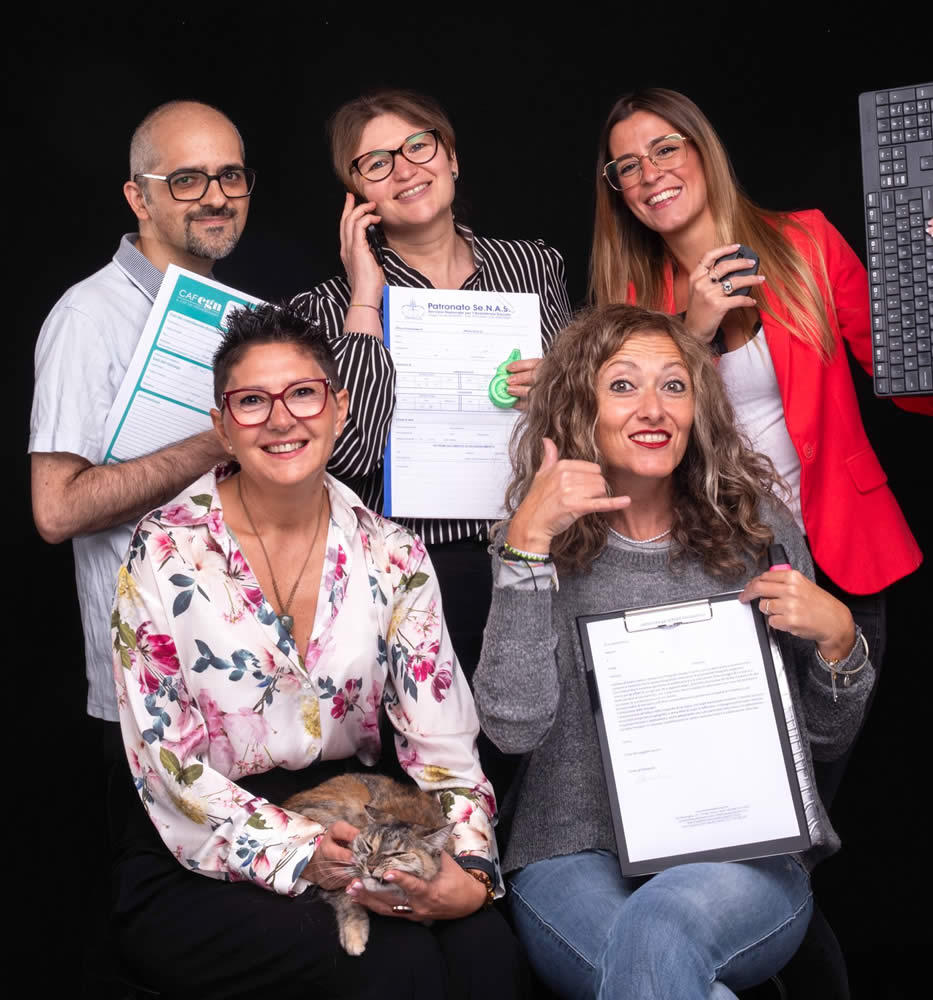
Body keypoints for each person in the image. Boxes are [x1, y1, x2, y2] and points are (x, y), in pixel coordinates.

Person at [110, 303, 524, 999]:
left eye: (303, 393)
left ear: (339, 408)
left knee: (487, 954)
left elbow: (444, 745)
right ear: (221, 425)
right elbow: (167, 767)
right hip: (200, 833)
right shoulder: (163, 550)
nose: (281, 419)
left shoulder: (394, 554)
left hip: (360, 815)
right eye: (251, 401)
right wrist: (301, 851)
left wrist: (473, 869)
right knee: (395, 969)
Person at [590, 88, 933, 800]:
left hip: (840, 556)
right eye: (627, 166)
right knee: (731, 795)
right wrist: (692, 331)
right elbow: (638, 451)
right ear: (618, 191)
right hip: (714, 570)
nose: (650, 174)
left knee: (817, 786)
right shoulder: (628, 301)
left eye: (665, 148)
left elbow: (921, 393)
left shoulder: (805, 242)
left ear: (703, 151)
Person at [473, 305, 874, 1000]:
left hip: (744, 854)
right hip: (572, 852)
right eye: (623, 385)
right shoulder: (536, 537)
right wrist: (527, 548)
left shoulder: (759, 531)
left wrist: (841, 643)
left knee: (659, 928)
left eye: (674, 385)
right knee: (662, 964)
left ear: (698, 408)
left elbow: (820, 741)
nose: (653, 408)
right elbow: (514, 726)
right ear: (581, 408)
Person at [291, 89, 572, 681]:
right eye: (377, 162)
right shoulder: (323, 310)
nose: (405, 169)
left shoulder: (534, 266)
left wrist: (561, 387)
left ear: (452, 158)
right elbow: (346, 458)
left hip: (536, 553)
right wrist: (365, 297)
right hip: (404, 576)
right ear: (357, 193)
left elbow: (582, 427)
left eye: (418, 146)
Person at [29, 100, 253, 750]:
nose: (216, 197)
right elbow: (57, 511)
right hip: (151, 694)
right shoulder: (88, 317)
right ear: (139, 198)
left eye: (230, 175)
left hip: (245, 677)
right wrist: (216, 442)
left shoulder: (241, 319)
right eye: (186, 180)